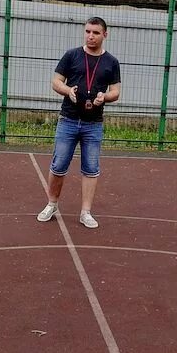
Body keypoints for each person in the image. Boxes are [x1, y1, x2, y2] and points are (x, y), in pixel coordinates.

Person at [36, 17, 121, 229]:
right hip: (69, 120)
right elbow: (56, 81)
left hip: (94, 124)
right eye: (88, 31)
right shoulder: (71, 55)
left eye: (95, 33)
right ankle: (52, 204)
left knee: (91, 168)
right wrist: (68, 90)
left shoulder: (112, 62)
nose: (91, 36)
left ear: (105, 35)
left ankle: (86, 212)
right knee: (58, 165)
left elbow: (116, 91)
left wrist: (105, 97)